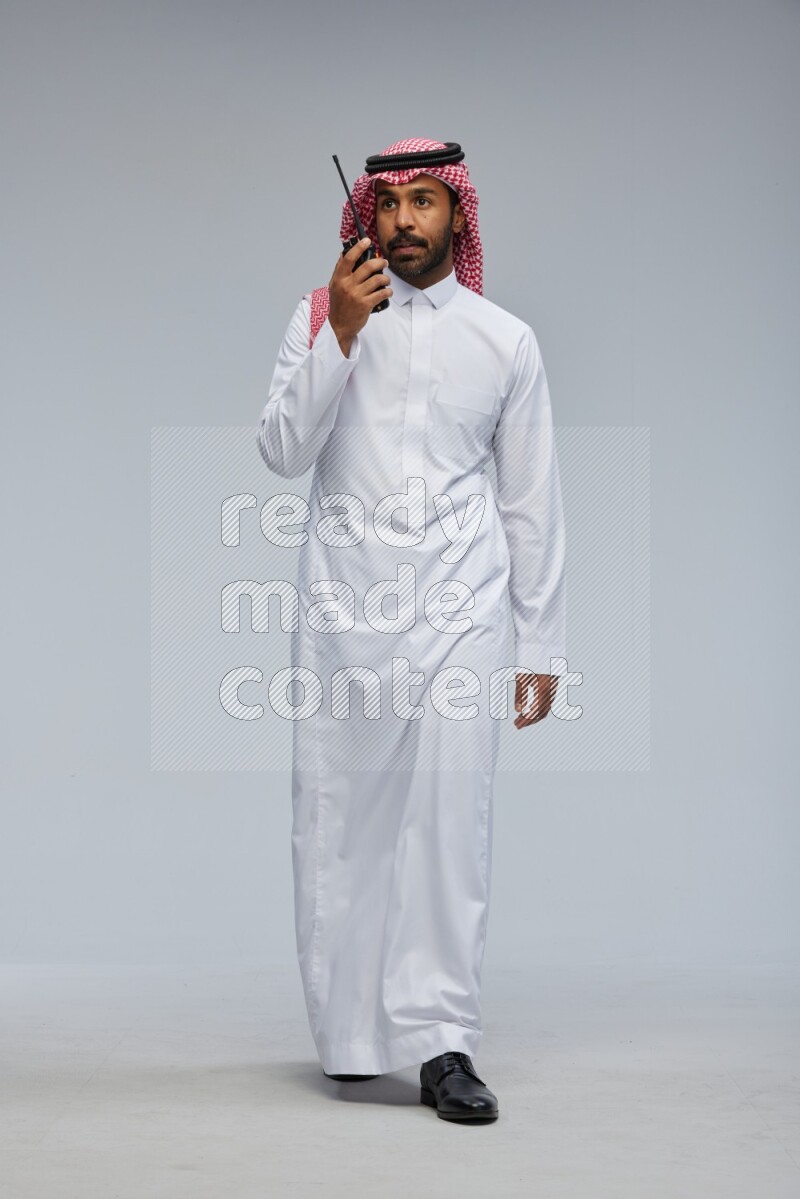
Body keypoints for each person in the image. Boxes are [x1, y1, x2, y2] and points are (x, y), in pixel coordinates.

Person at [256, 138, 566, 1123]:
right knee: (342, 826)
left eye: (425, 201)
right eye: (389, 204)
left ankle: (440, 1042)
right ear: (366, 217)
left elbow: (530, 499)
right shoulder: (321, 317)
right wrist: (339, 334)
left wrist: (539, 642)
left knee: (447, 829)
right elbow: (279, 450)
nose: (404, 222)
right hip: (346, 610)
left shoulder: (503, 339)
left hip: (462, 609)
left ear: (456, 217)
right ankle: (351, 1035)